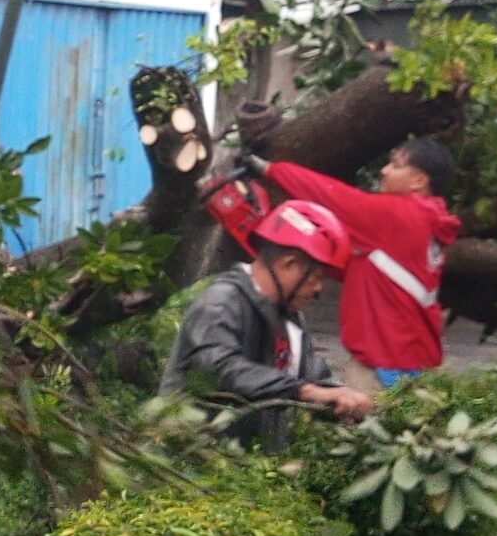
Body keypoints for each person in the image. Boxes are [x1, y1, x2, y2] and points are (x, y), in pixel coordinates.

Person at [160, 199, 378, 451]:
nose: (319, 289)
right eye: (317, 277)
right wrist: (307, 392)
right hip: (195, 460)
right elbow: (220, 369)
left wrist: (341, 398)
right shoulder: (220, 303)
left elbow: (308, 379)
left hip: (249, 468)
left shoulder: (291, 319)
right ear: (289, 263)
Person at [246, 139, 462, 385]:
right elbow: (369, 268)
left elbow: (332, 197)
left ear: (419, 181)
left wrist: (270, 170)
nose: (384, 170)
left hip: (383, 364)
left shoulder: (398, 215)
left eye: (395, 165)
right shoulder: (429, 222)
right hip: (414, 359)